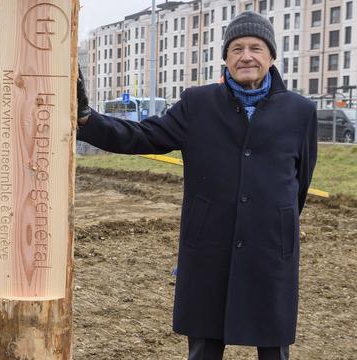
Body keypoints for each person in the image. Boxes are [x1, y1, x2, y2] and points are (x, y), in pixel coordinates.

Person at [76, 11, 317, 360]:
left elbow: (301, 183)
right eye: (236, 48)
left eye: (255, 48)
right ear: (225, 58)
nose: (245, 56)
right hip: (209, 244)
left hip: (270, 247)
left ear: (271, 56)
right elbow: (144, 135)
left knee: (273, 345)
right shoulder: (198, 104)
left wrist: (277, 220)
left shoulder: (300, 112)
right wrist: (88, 119)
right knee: (204, 344)